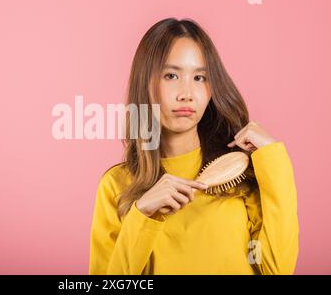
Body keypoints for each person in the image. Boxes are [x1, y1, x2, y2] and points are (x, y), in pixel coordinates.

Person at [88, 18, 299, 275]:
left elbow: (277, 270)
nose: (186, 93)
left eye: (199, 77)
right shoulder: (116, 185)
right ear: (146, 83)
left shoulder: (240, 171)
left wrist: (274, 156)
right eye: (171, 75)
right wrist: (142, 214)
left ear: (212, 89)